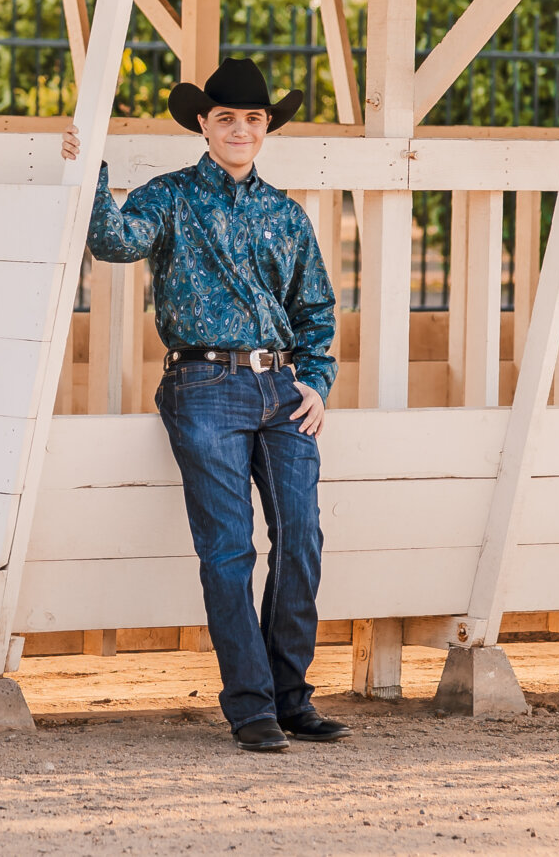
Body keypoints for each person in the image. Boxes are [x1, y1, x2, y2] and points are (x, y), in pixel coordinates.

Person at [61, 58, 344, 753]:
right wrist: (90, 168)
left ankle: (290, 695)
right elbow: (114, 240)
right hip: (203, 387)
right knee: (228, 548)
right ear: (203, 123)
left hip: (282, 392)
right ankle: (251, 708)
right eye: (226, 118)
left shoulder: (286, 214)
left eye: (253, 119)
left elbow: (315, 309)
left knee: (301, 537)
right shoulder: (171, 197)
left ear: (266, 126)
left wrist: (316, 381)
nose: (241, 129)